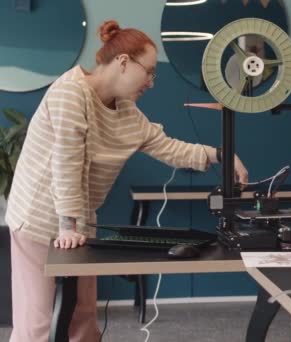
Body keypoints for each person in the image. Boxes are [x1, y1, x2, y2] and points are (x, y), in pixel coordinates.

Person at [6, 20, 248, 342]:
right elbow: (66, 163)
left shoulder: (127, 113)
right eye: (148, 71)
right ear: (123, 62)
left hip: (78, 223)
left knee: (82, 320)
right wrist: (67, 224)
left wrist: (222, 153)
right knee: (37, 326)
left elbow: (170, 147)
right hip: (39, 219)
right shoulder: (70, 93)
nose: (151, 82)